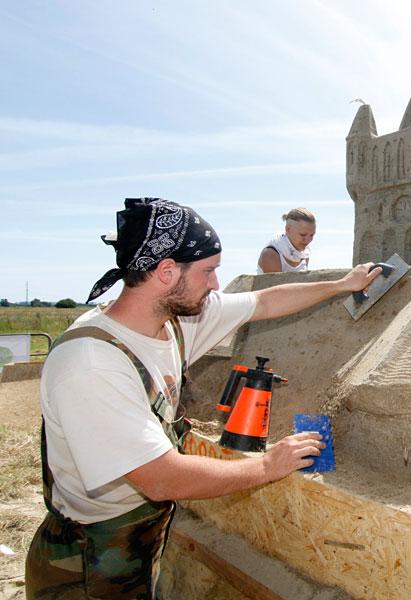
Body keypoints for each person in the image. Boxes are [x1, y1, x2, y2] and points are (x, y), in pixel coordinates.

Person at [25, 198, 381, 598]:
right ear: (165, 272)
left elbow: (265, 301)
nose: (215, 284)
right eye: (209, 271)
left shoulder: (176, 321)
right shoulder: (91, 362)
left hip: (139, 536)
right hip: (86, 558)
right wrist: (267, 465)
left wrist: (341, 285)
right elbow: (160, 477)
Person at [258, 207, 316, 273]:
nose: (308, 240)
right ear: (288, 229)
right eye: (303, 235)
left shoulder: (305, 253)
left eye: (312, 235)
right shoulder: (271, 254)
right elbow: (276, 283)